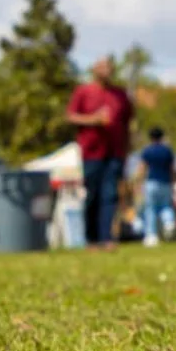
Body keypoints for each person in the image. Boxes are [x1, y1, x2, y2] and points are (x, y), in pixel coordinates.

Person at [66, 57, 133, 252]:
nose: (107, 70)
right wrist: (93, 120)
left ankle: (107, 238)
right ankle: (91, 238)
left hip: (115, 152)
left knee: (110, 195)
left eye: (110, 67)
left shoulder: (120, 94)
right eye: (103, 67)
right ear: (94, 70)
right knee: (93, 195)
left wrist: (126, 151)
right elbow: (70, 116)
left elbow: (128, 124)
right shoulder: (83, 92)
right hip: (92, 152)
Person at [135, 126, 176, 248]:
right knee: (166, 206)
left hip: (151, 182)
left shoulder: (147, 151)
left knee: (150, 209)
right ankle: (169, 223)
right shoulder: (167, 151)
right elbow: (172, 169)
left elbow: (142, 168)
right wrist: (173, 182)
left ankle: (151, 235)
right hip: (165, 183)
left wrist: (138, 182)